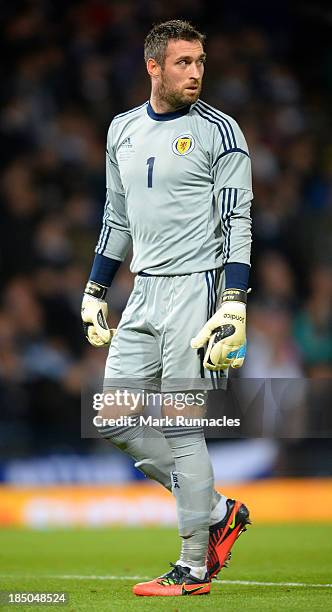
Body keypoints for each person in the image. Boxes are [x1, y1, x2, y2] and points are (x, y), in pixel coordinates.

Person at [81, 19, 252, 597]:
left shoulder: (220, 133)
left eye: (201, 61)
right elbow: (117, 217)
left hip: (198, 290)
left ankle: (193, 567)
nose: (196, 72)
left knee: (182, 426)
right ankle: (219, 509)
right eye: (183, 62)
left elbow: (238, 221)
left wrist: (234, 301)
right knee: (113, 417)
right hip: (144, 290)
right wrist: (96, 288)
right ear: (153, 66)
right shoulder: (122, 129)